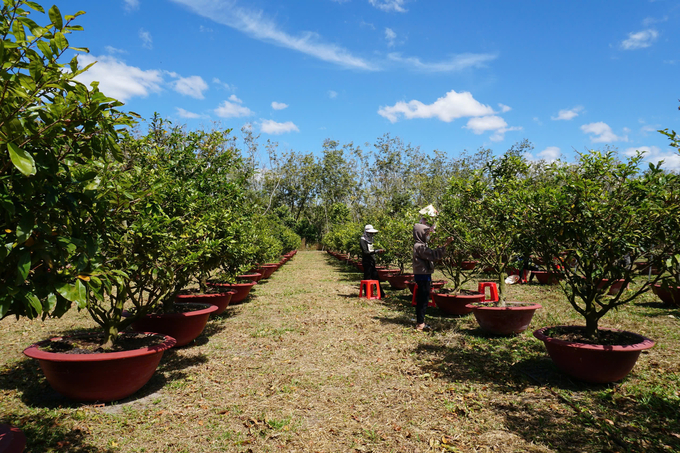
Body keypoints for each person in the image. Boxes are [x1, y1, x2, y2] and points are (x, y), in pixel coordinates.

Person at [412, 222, 453, 331]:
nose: (428, 236)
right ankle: (420, 323)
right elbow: (433, 255)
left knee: (423, 297)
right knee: (423, 298)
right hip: (422, 275)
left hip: (423, 274)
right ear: (420, 234)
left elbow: (430, 253)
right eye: (426, 234)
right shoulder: (419, 246)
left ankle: (420, 321)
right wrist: (445, 245)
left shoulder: (421, 246)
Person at [360, 224, 386, 298]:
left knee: (376, 277)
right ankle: (367, 294)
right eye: (370, 233)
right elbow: (365, 252)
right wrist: (376, 251)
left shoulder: (370, 240)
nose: (371, 234)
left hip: (372, 261)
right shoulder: (363, 240)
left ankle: (381, 294)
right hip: (366, 262)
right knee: (367, 277)